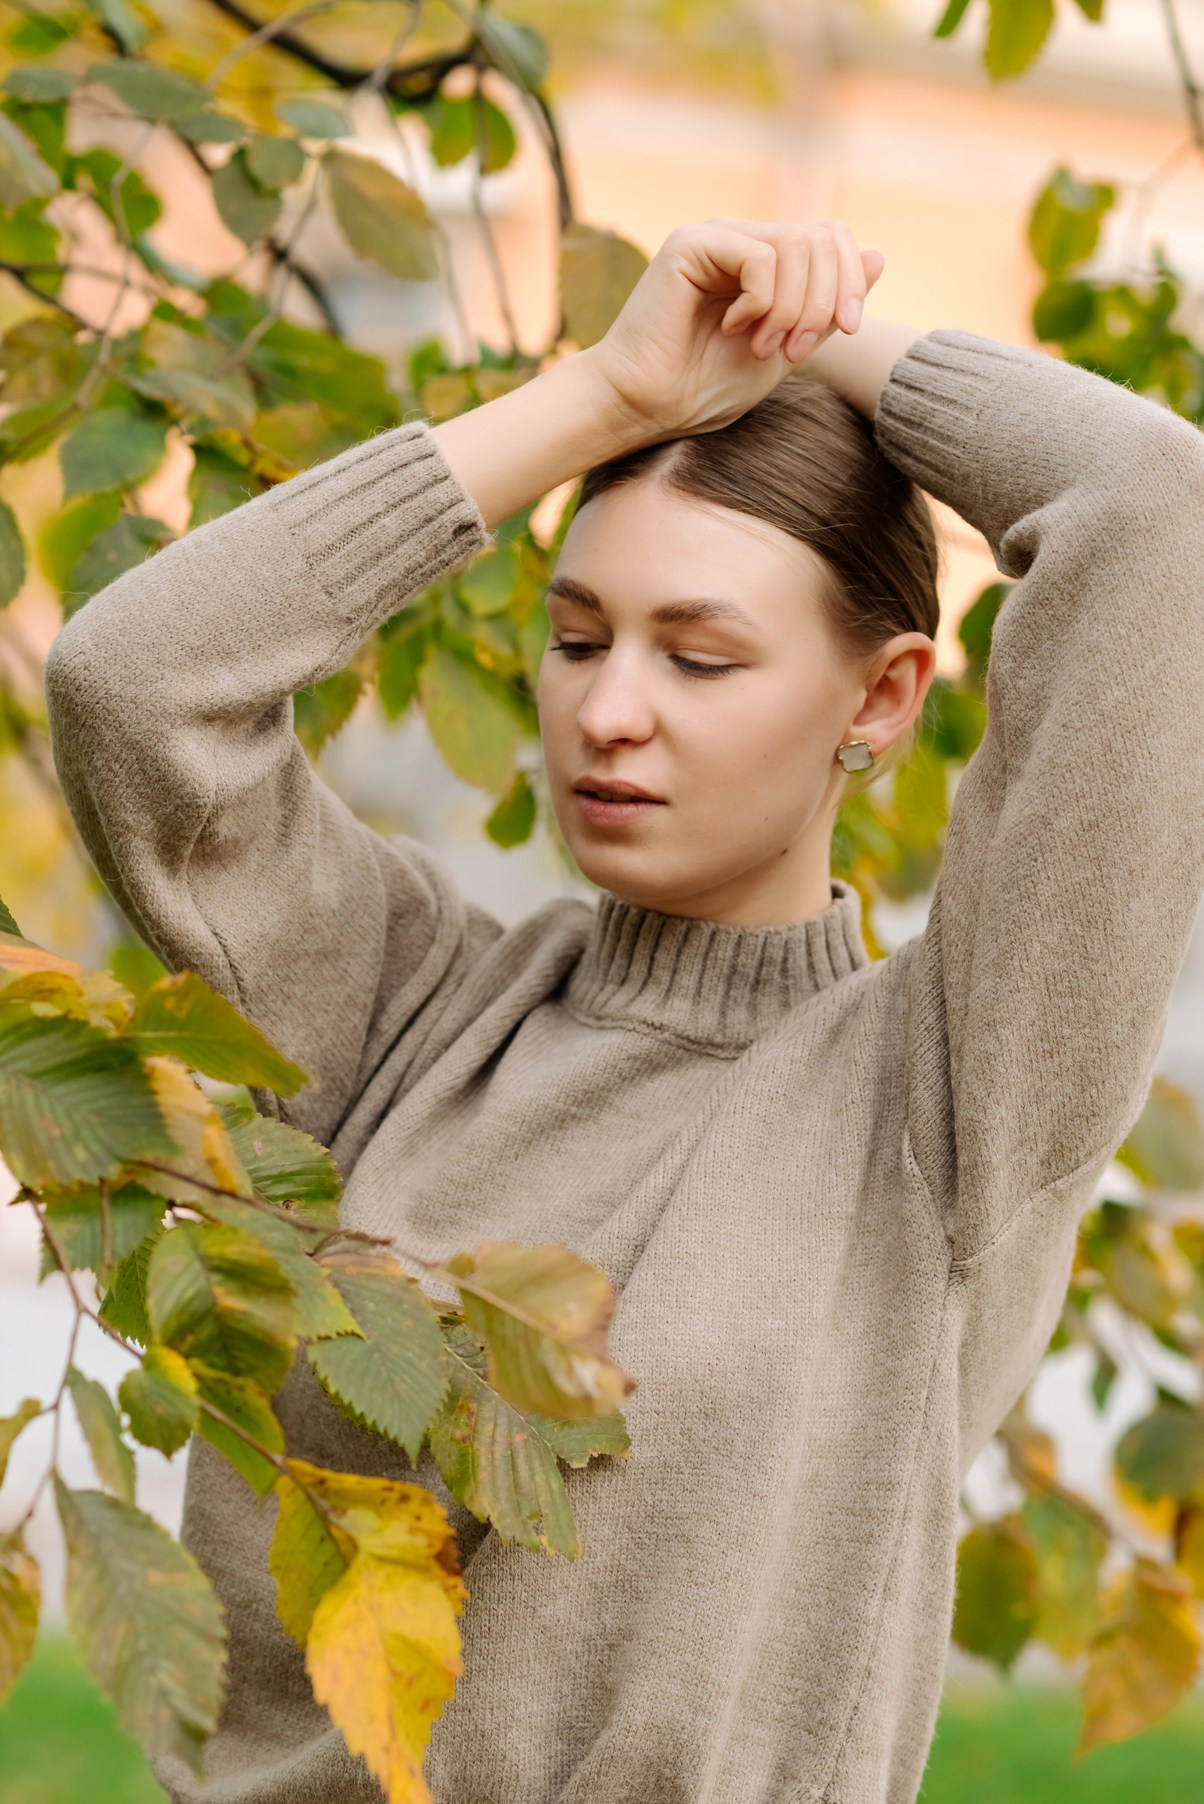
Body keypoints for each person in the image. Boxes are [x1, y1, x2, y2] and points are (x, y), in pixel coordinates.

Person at [44, 218, 1204, 1804]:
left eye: (701, 659)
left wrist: (816, 339)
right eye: (576, 637)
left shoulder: (954, 1094)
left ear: (880, 699)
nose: (608, 711)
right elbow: (136, 692)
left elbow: (1154, 508)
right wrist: (606, 394)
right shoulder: (402, 1007)